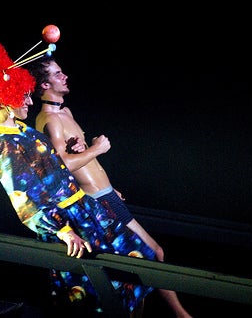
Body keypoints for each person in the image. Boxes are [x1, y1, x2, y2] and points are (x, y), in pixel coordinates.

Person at [0, 40, 162, 317]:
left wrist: (76, 151)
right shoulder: (2, 142)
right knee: (99, 292)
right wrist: (61, 229)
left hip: (85, 209)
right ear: (5, 97)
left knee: (139, 264)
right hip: (68, 221)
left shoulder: (23, 131)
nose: (29, 101)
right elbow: (24, 195)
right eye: (23, 96)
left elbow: (55, 166)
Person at [27, 55, 193, 318]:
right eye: (58, 74)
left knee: (144, 260)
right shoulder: (49, 120)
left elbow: (75, 158)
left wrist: (91, 157)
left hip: (105, 194)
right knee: (151, 255)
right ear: (44, 85)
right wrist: (97, 148)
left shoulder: (65, 113)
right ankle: (181, 315)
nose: (65, 76)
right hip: (96, 201)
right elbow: (62, 166)